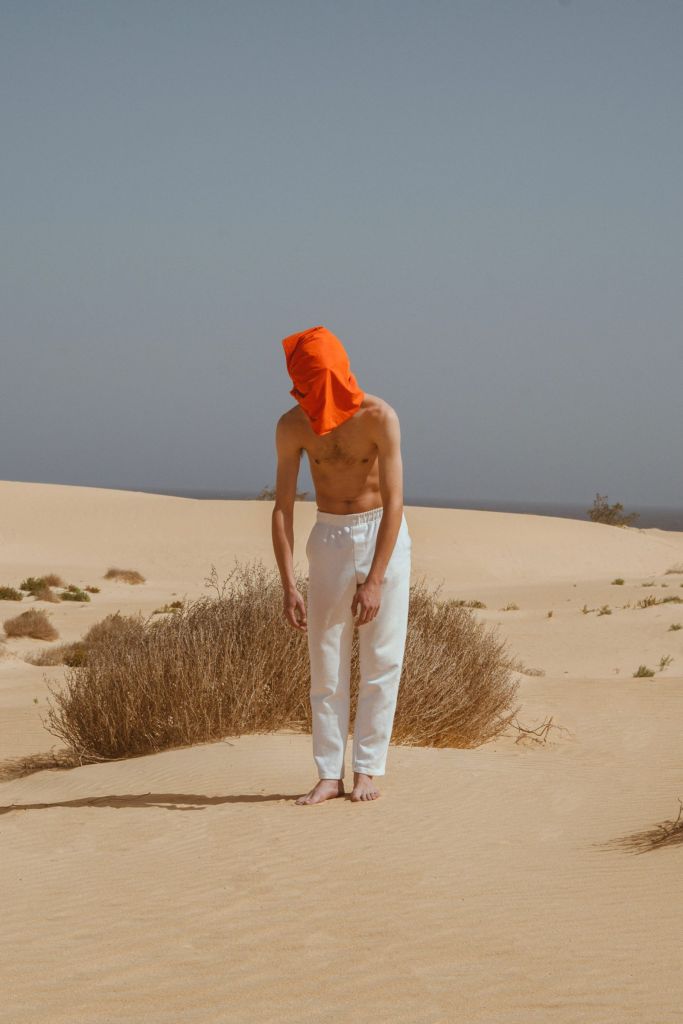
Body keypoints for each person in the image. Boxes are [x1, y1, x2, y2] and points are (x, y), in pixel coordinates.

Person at [271, 325, 412, 805]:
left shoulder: (379, 416)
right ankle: (329, 774)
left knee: (383, 658)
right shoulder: (292, 425)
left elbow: (395, 501)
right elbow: (282, 508)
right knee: (325, 661)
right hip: (328, 536)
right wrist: (289, 585)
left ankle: (367, 770)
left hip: (381, 533)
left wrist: (375, 578)